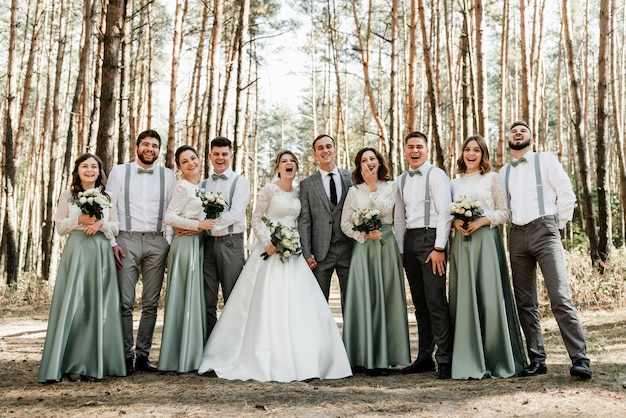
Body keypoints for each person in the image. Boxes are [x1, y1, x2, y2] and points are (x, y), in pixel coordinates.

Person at [197, 150, 352, 382]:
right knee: (267, 304)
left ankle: (306, 359)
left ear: (296, 167)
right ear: (277, 168)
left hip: (294, 254)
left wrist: (302, 248)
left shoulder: (300, 192)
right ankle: (258, 356)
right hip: (269, 252)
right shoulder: (270, 189)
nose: (288, 164)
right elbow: (256, 218)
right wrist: (268, 242)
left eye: (292, 162)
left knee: (300, 305)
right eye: (284, 161)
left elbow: (303, 223)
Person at [501, 121, 591, 379]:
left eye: (523, 130)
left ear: (531, 137)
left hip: (545, 229)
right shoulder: (504, 171)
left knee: (560, 297)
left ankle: (580, 359)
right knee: (525, 301)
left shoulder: (546, 160)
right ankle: (537, 359)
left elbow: (566, 194)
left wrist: (555, 226)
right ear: (508, 139)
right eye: (514, 131)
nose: (518, 133)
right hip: (517, 235)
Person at [38, 153, 125, 383]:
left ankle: (96, 363)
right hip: (76, 253)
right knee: (75, 306)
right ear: (77, 170)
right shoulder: (67, 195)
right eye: (85, 166)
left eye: (94, 166)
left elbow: (116, 227)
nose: (89, 170)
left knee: (98, 306)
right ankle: (71, 364)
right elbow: (59, 227)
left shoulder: (109, 196)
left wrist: (101, 223)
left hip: (100, 254)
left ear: (99, 171)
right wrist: (80, 220)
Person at [448, 135, 527, 379]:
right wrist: (457, 221)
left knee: (491, 299)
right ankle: (468, 358)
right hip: (462, 244)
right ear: (462, 154)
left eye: (476, 150)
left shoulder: (492, 178)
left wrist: (482, 220)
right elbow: (448, 213)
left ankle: (498, 357)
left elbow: (505, 211)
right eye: (467, 149)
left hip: (486, 243)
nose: (471, 154)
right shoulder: (454, 183)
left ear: (483, 154)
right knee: (465, 299)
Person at [106, 129, 175, 374]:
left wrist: (167, 242)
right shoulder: (119, 171)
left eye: (154, 145)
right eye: (145, 144)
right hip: (127, 240)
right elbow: (109, 207)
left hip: (157, 241)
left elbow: (170, 209)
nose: (150, 149)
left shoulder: (168, 175)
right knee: (125, 302)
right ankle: (125, 355)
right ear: (137, 147)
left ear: (158, 150)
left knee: (151, 303)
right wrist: (113, 241)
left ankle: (143, 356)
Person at [340, 147, 411, 375]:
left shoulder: (392, 187)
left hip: (386, 246)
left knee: (386, 298)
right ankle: (360, 356)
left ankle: (384, 357)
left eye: (372, 159)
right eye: (363, 160)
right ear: (359, 166)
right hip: (363, 250)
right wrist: (362, 235)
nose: (368, 163)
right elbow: (345, 223)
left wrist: (372, 187)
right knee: (364, 298)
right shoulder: (353, 191)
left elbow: (386, 212)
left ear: (379, 162)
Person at [394, 131, 454, 379]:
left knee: (436, 301)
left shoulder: (436, 174)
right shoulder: (401, 180)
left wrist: (439, 248)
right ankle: (424, 357)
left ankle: (446, 359)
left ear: (426, 150)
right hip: (411, 241)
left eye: (419, 146)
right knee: (419, 303)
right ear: (405, 150)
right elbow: (399, 218)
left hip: (432, 240)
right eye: (410, 147)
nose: (414, 151)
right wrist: (400, 250)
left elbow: (445, 213)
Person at [158, 146, 215, 373]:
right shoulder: (183, 187)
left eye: (193, 158)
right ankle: (178, 357)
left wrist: (200, 228)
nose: (191, 163)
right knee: (184, 296)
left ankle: (193, 353)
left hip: (197, 245)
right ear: (180, 167)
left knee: (195, 298)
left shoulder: (200, 187)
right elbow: (169, 217)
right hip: (184, 248)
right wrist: (196, 225)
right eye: (185, 161)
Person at [201, 136, 250, 339]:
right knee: (207, 298)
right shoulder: (202, 184)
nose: (220, 158)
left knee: (233, 297)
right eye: (216, 154)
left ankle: (233, 347)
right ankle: (210, 347)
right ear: (210, 156)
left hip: (231, 243)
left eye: (224, 154)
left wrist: (210, 223)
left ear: (231, 155)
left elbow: (236, 213)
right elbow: (197, 214)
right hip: (206, 244)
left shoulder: (240, 182)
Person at [299, 134, 353, 309]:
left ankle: (350, 337)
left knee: (351, 302)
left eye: (328, 146)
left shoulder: (351, 177)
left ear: (335, 150)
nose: (325, 151)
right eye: (320, 148)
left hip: (349, 249)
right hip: (320, 253)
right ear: (315, 154)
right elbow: (305, 221)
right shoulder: (307, 184)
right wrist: (307, 253)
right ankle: (321, 337)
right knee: (319, 304)